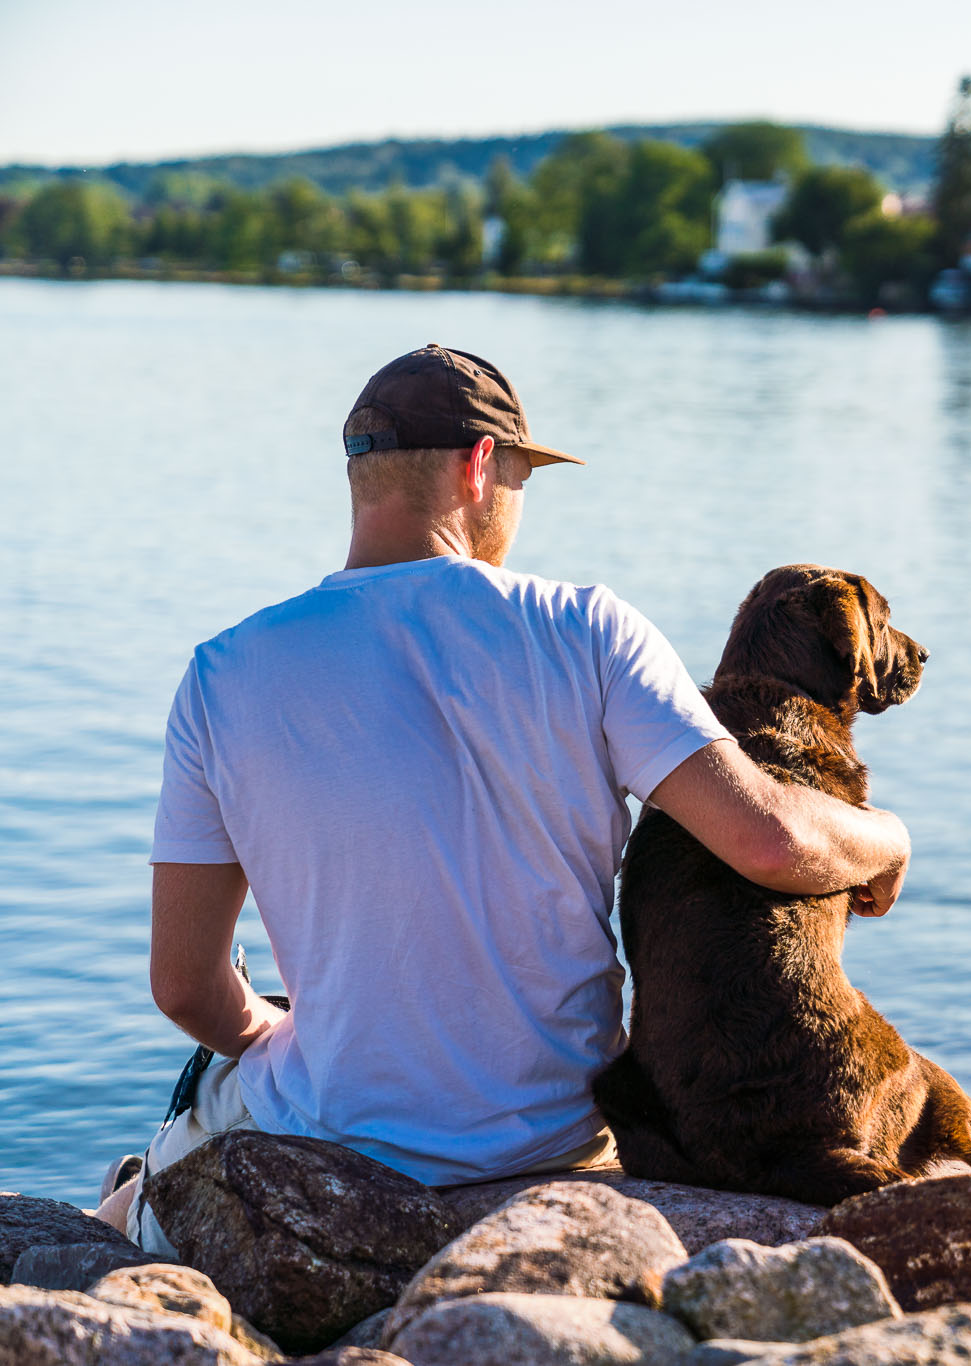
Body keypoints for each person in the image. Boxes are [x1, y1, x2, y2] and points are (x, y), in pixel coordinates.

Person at [95, 344, 910, 1250]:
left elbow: (183, 985)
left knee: (203, 1101)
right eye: (523, 474)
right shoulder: (590, 629)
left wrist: (263, 1030)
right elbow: (770, 841)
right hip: (561, 1140)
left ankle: (122, 1206)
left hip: (337, 1146)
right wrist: (889, 838)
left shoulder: (222, 673)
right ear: (483, 465)